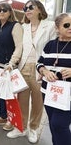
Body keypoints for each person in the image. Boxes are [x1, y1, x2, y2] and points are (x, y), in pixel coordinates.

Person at [7, 0, 56, 143]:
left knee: (37, 101)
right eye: (25, 8)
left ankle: (33, 128)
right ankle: (21, 128)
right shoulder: (23, 27)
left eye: (30, 7)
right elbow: (19, 48)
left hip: (40, 69)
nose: (27, 10)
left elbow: (53, 49)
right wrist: (12, 63)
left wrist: (47, 69)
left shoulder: (50, 26)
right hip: (23, 67)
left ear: (40, 9)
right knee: (22, 100)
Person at [36, 13, 71, 145]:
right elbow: (39, 63)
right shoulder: (50, 45)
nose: (70, 28)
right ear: (57, 28)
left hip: (68, 96)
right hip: (48, 92)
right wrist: (44, 71)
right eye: (66, 25)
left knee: (59, 125)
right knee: (53, 124)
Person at [0, 3, 23, 131]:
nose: (1, 12)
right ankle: (3, 115)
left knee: (10, 95)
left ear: (10, 12)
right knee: (1, 93)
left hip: (9, 67)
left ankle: (11, 119)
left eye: (4, 10)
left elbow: (19, 46)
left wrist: (12, 63)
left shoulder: (15, 26)